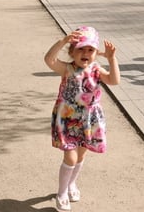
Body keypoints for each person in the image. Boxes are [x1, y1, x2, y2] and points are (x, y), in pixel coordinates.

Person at [44, 26, 120, 212]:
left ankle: (72, 184)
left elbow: (114, 80)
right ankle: (61, 193)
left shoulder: (96, 69)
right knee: (70, 155)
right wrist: (63, 41)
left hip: (88, 119)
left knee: (81, 154)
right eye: (81, 49)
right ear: (72, 51)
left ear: (95, 53)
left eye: (90, 50)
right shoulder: (67, 68)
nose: (86, 53)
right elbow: (49, 59)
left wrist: (111, 58)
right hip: (68, 118)